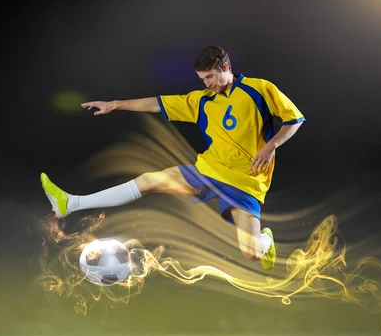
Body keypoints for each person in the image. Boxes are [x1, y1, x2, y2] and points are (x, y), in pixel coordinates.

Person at [41, 45, 305, 271]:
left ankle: (265, 241)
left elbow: (294, 119)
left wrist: (270, 146)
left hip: (246, 182)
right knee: (148, 181)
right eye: (203, 79)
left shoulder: (258, 89)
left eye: (210, 76)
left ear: (226, 67)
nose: (207, 83)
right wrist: (115, 104)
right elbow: (157, 103)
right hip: (209, 171)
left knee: (251, 253)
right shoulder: (201, 101)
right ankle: (71, 203)